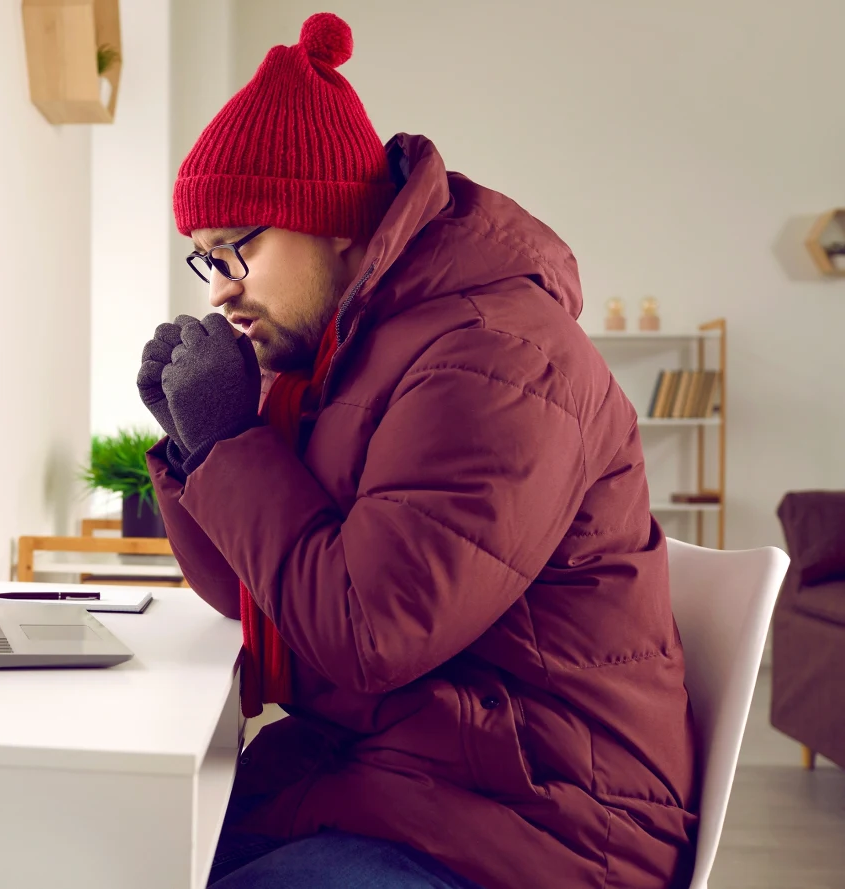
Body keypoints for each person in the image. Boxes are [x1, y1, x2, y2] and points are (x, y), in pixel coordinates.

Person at [135, 12, 698, 889]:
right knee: (112, 846)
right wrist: (194, 449)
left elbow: (369, 631)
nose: (223, 290)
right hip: (404, 777)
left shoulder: (496, 357)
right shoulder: (338, 354)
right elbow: (259, 598)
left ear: (334, 223)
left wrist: (234, 441)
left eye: (237, 248)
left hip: (540, 823)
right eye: (204, 260)